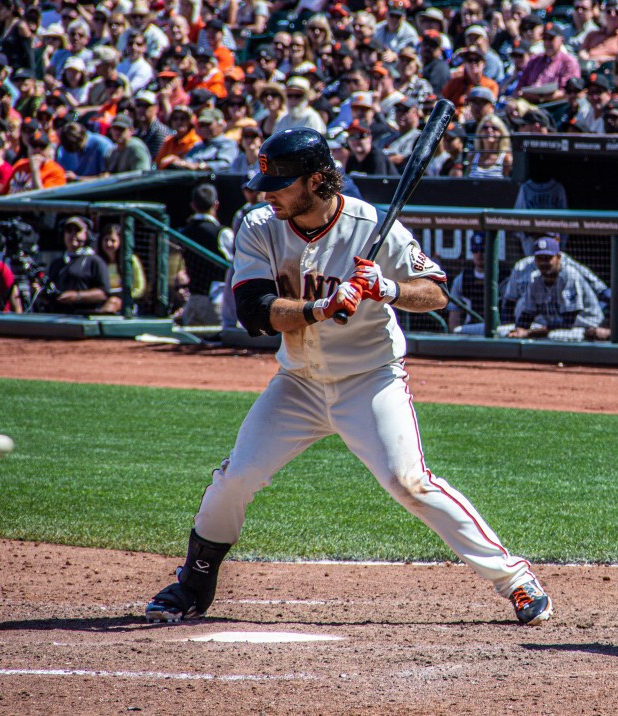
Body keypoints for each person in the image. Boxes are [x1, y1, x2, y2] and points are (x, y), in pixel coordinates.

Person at [143, 128, 553, 628]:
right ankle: (194, 583)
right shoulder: (259, 225)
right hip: (298, 383)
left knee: (409, 482)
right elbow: (253, 311)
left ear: (317, 180)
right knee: (237, 477)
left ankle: (515, 579)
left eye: (281, 184)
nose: (266, 193)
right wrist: (320, 307)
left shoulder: (373, 226)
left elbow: (436, 293)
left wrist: (389, 287)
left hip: (370, 379)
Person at [505, 236, 604, 341]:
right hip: (556, 327)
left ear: (558, 257)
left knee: (555, 336)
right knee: (503, 331)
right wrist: (518, 330)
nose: (543, 263)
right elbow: (527, 315)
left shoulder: (569, 275)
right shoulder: (535, 279)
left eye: (547, 258)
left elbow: (568, 321)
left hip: (586, 327)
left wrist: (528, 333)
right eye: (539, 258)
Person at [177, 183, 231, 327]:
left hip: (192, 306)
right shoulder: (223, 233)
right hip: (218, 307)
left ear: (193, 206)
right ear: (216, 205)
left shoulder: (183, 233)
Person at [44, 215, 110, 314]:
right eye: (69, 230)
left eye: (77, 230)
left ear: (87, 235)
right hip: (57, 317)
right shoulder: (57, 263)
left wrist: (77, 296)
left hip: (83, 317)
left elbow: (103, 293)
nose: (72, 234)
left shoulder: (94, 261)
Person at [97, 223, 147, 314]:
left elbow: (140, 288)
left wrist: (126, 295)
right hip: (100, 301)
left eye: (113, 240)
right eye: (106, 240)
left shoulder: (131, 260)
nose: (109, 244)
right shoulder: (97, 261)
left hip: (126, 303)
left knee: (113, 302)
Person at [448, 232, 490, 335]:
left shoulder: (502, 277)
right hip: (471, 328)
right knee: (458, 331)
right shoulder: (462, 278)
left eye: (482, 250)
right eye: (475, 250)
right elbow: (454, 314)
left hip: (496, 328)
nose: (479, 255)